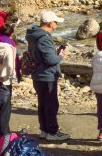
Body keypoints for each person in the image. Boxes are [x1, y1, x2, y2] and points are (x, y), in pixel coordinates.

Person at [25, 10, 69, 142]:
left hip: (38, 74)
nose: (57, 25)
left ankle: (44, 130)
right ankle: (52, 132)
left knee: (43, 103)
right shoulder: (44, 38)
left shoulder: (33, 35)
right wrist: (61, 56)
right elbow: (50, 60)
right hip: (46, 75)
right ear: (50, 24)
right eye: (56, 22)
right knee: (51, 104)